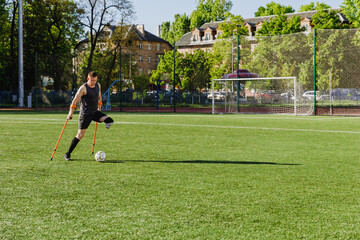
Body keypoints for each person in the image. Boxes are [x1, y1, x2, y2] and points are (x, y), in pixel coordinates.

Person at [64, 71, 114, 161]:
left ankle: (106, 123)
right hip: (85, 114)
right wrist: (70, 113)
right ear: (88, 79)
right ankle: (67, 154)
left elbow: (99, 97)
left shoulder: (98, 85)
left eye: (95, 80)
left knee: (109, 120)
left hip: (94, 112)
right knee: (80, 135)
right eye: (92, 80)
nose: (94, 82)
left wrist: (99, 108)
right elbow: (74, 102)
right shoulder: (83, 88)